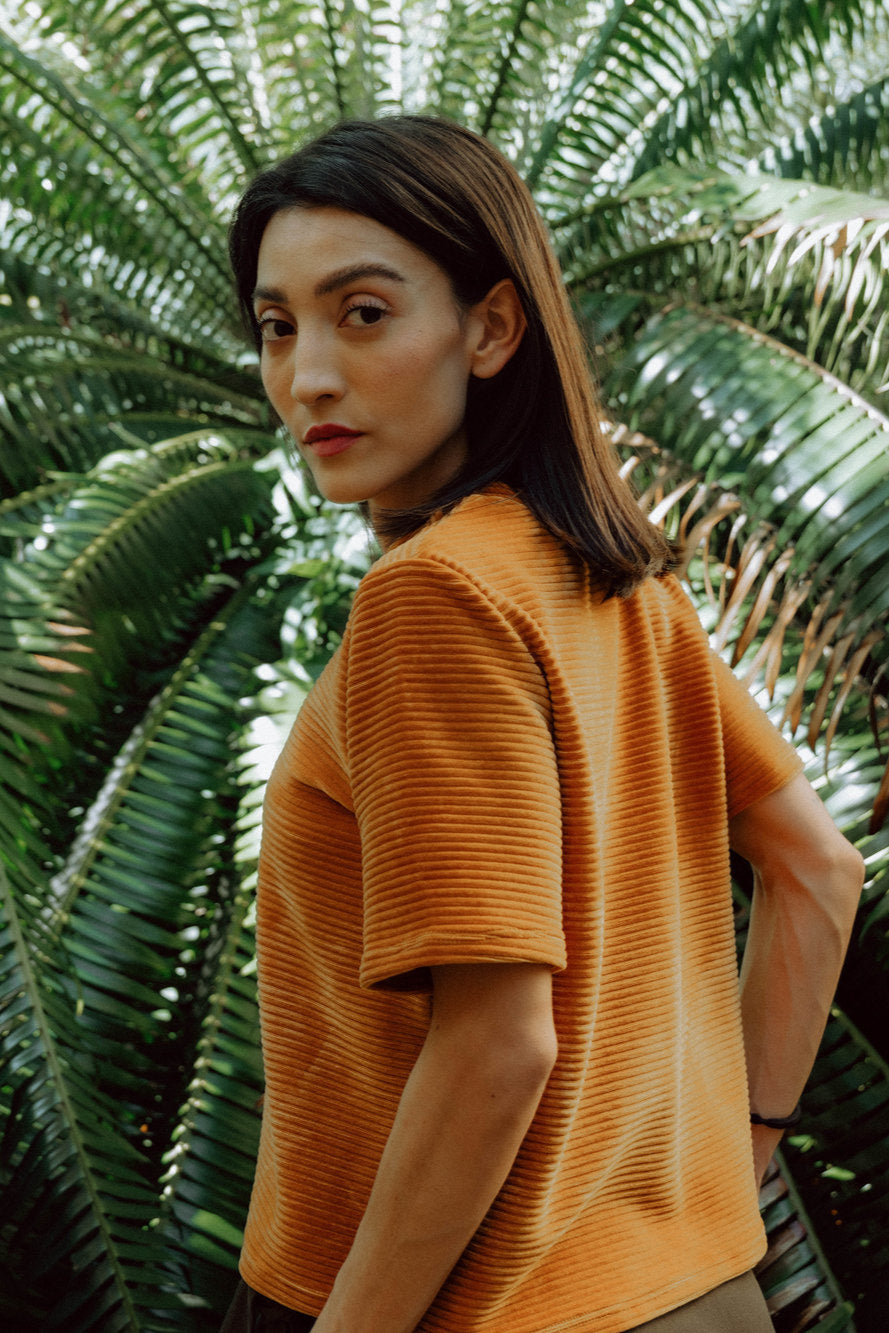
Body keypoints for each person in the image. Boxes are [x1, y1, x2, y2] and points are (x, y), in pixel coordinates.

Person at [222, 115, 864, 1333]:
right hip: (696, 1288)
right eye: (278, 324)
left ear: (493, 326)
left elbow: (498, 1045)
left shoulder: (432, 598)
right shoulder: (611, 578)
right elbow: (817, 873)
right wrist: (732, 1158)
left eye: (363, 313)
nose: (306, 375)